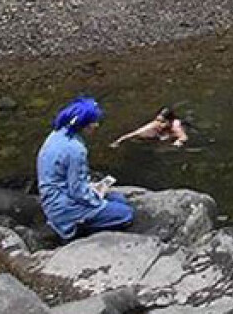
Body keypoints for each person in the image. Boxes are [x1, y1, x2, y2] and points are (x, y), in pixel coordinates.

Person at [37, 96, 133, 241]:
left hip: (52, 199)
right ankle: (76, 227)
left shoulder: (56, 134)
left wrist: (93, 189)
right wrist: (96, 197)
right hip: (65, 207)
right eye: (93, 122)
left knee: (119, 199)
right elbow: (77, 191)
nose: (96, 125)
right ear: (84, 124)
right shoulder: (75, 150)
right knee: (126, 214)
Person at [110, 106, 189, 148]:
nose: (158, 123)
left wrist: (179, 141)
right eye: (157, 120)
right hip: (166, 132)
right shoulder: (155, 124)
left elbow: (184, 137)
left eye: (162, 122)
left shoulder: (176, 125)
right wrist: (119, 141)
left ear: (169, 120)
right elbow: (135, 133)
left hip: (178, 131)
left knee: (165, 139)